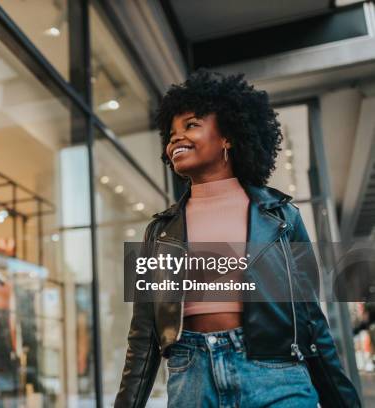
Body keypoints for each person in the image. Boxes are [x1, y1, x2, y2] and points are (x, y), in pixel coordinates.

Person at [115, 71, 361, 408]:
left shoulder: (281, 218)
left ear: (228, 136)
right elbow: (143, 334)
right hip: (191, 377)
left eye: (190, 125)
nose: (175, 139)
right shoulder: (158, 232)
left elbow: (310, 318)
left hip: (275, 373)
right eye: (171, 134)